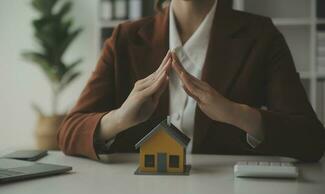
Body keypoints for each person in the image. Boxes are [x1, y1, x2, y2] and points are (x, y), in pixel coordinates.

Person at [57, 0, 325, 162]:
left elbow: (311, 140)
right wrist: (120, 119)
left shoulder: (262, 37)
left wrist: (236, 113)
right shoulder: (124, 38)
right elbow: (68, 133)